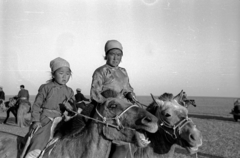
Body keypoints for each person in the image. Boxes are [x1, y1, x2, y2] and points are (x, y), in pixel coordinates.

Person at [90, 40, 137, 158]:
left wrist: (130, 95)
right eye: (112, 54)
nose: (116, 58)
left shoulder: (123, 71)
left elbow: (128, 88)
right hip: (107, 111)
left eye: (119, 55)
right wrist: (109, 103)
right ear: (106, 55)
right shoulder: (100, 71)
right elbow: (95, 94)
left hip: (123, 109)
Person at [24, 57, 76, 158]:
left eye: (68, 74)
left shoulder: (70, 91)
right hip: (46, 119)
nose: (65, 76)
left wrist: (70, 108)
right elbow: (37, 105)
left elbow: (73, 109)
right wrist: (35, 121)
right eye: (61, 73)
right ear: (53, 74)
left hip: (61, 120)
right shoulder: (46, 87)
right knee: (40, 139)